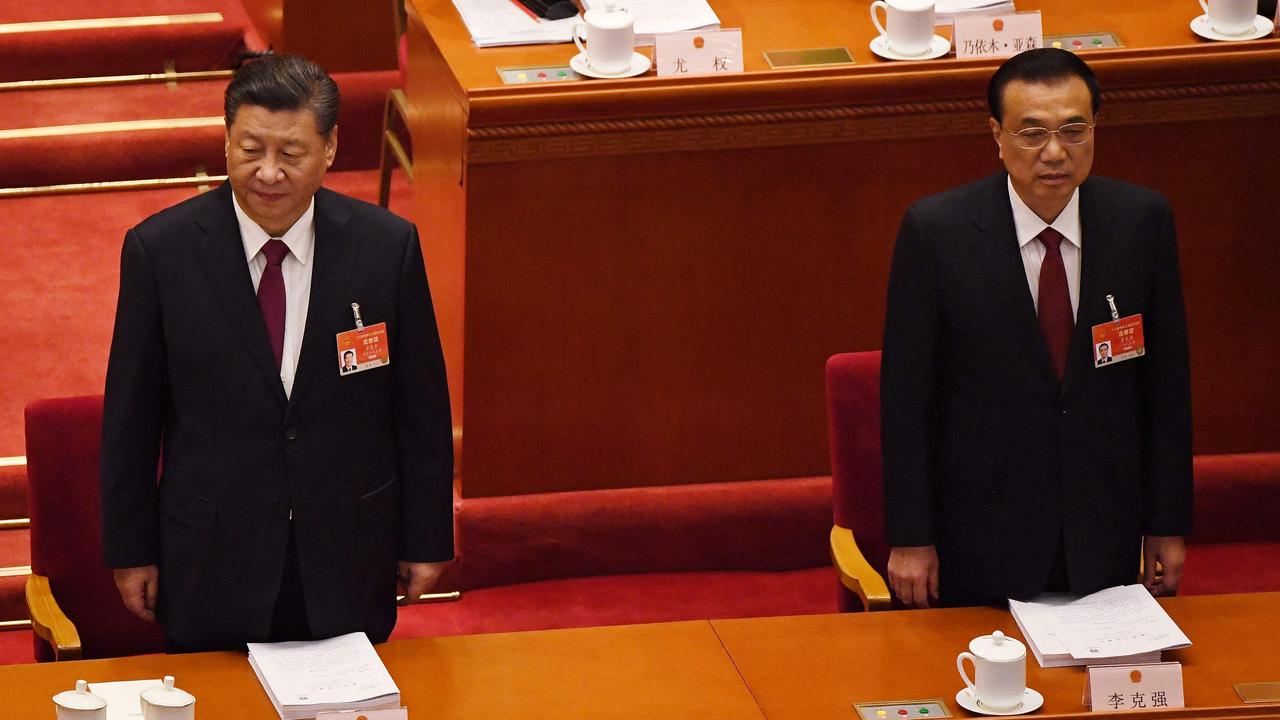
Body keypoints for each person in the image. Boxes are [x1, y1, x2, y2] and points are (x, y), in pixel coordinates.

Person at [100, 54, 454, 651]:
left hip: (347, 552)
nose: (267, 173)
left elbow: (420, 407)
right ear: (227, 139)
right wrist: (131, 550)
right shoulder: (161, 253)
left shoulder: (385, 248)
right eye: (249, 150)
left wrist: (426, 537)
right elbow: (131, 419)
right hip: (211, 557)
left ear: (331, 147)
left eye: (290, 154)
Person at [879, 48, 1192, 609]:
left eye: (1074, 129)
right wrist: (910, 537)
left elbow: (1166, 389)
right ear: (996, 134)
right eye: (1031, 133)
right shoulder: (937, 232)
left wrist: (1166, 523)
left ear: (1097, 126)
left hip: (1105, 536)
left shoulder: (1142, 223)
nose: (1054, 152)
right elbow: (907, 402)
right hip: (980, 537)